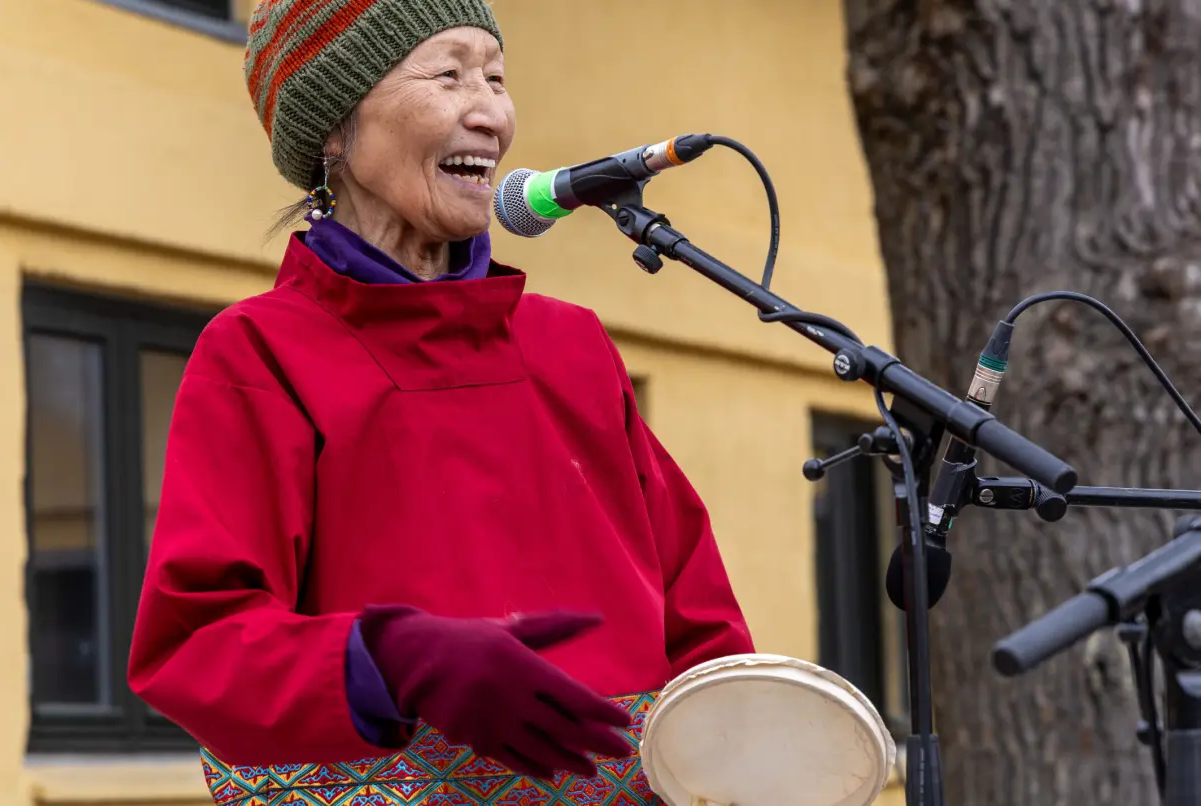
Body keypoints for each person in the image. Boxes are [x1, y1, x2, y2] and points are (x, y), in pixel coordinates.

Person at [127, 2, 755, 804]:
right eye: (450, 74)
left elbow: (705, 635)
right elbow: (198, 647)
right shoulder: (259, 353)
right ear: (333, 130)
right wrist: (396, 660)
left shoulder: (572, 348)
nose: (491, 113)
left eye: (496, 77)